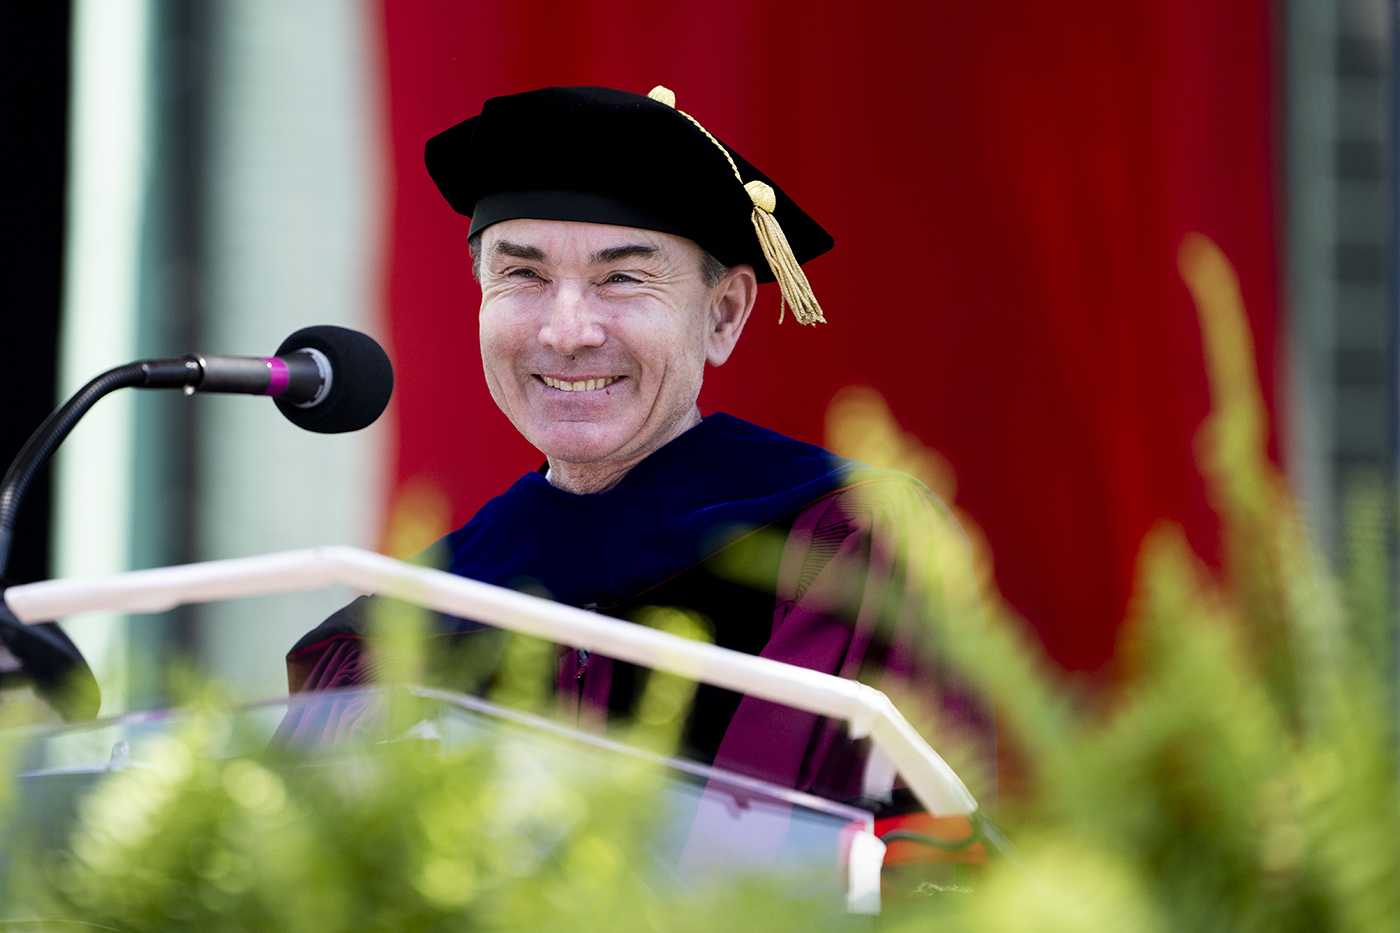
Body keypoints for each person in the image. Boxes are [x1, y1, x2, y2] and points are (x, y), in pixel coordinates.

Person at [281, 86, 990, 812]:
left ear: (723, 315)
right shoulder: (411, 614)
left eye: (621, 278)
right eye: (522, 274)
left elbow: (827, 864)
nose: (567, 331)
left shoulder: (839, 546)